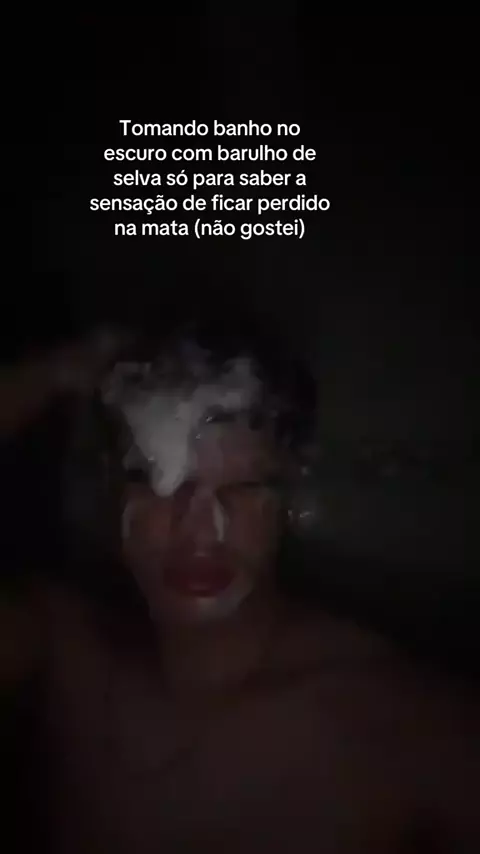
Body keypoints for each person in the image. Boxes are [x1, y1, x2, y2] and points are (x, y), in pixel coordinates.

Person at [1, 318, 479, 854]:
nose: (200, 530)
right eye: (159, 480)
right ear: (115, 491)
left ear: (288, 501)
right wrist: (58, 371)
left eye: (245, 486)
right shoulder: (61, 650)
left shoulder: (404, 723)